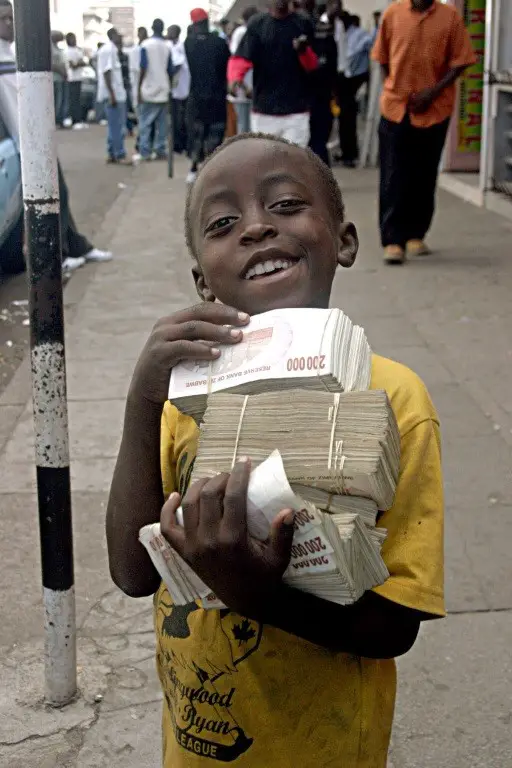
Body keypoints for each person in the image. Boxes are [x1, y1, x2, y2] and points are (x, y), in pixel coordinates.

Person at [107, 132, 445, 768]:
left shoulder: (395, 400)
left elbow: (395, 626)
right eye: (224, 222)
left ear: (343, 240)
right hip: (197, 743)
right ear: (201, 280)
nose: (258, 228)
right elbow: (131, 572)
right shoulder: (181, 403)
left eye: (287, 205)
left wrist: (255, 593)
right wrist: (142, 399)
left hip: (326, 744)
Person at [0, 0, 113, 270]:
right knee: (45, 203)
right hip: (24, 143)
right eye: (4, 19)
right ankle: (58, 254)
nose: (10, 24)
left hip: (33, 140)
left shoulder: (10, 51)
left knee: (59, 195)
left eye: (11, 18)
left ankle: (75, 247)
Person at [372, 0, 476, 264]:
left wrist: (433, 91)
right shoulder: (393, 14)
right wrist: (396, 87)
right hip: (396, 108)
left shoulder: (449, 17)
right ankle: (393, 240)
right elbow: (382, 58)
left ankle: (416, 234)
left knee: (424, 173)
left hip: (434, 109)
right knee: (393, 174)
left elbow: (461, 61)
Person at [228, 0, 318, 146]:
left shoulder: (303, 23)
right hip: (264, 111)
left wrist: (303, 51)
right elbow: (241, 57)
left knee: (293, 160)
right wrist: (235, 78)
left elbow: (313, 65)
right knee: (266, 160)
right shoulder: (257, 24)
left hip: (296, 111)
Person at [185, 8, 230, 184]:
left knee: (197, 133)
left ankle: (194, 168)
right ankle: (212, 170)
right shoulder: (219, 43)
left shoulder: (188, 43)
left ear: (194, 24)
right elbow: (226, 67)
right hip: (217, 95)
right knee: (215, 133)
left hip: (196, 96)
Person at [300, 0, 337, 165]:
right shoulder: (322, 28)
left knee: (316, 142)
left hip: (314, 94)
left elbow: (332, 62)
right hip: (313, 94)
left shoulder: (320, 28)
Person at [138, 18, 174, 161]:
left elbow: (143, 67)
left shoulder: (145, 45)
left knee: (145, 123)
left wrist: (139, 88)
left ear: (152, 28)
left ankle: (145, 152)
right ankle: (160, 150)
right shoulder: (167, 46)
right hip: (163, 88)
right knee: (162, 124)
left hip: (148, 89)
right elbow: (170, 70)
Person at [341, 14, 372, 167]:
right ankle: (346, 151)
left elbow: (351, 55)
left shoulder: (359, 34)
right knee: (344, 118)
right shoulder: (343, 34)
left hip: (355, 79)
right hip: (343, 79)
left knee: (349, 117)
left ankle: (350, 154)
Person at [97, 27, 129, 164]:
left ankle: (112, 153)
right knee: (117, 126)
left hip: (113, 93)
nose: (120, 38)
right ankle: (119, 154)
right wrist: (112, 95)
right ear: (112, 35)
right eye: (118, 35)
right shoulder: (110, 50)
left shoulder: (108, 49)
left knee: (113, 125)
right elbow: (107, 72)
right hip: (114, 94)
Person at [228, 6, 259, 135]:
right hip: (244, 79)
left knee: (250, 123)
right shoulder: (242, 32)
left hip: (251, 78)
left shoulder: (254, 31)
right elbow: (237, 56)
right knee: (244, 123)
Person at [167, 24, 190, 155]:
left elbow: (177, 65)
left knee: (178, 119)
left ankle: (179, 145)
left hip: (180, 90)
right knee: (179, 119)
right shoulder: (176, 46)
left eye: (169, 31)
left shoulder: (178, 47)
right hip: (180, 89)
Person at [65, 32, 86, 129]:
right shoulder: (68, 51)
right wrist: (79, 63)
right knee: (73, 100)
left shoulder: (78, 50)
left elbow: (83, 62)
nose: (74, 40)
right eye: (72, 38)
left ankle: (78, 119)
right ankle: (74, 120)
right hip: (72, 78)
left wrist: (78, 63)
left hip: (78, 78)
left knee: (78, 100)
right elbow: (72, 65)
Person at [51, 30, 68, 127]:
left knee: (61, 100)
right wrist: (62, 72)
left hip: (60, 78)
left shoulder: (57, 48)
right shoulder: (50, 48)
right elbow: (52, 64)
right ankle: (57, 120)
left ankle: (60, 119)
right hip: (55, 78)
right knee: (57, 100)